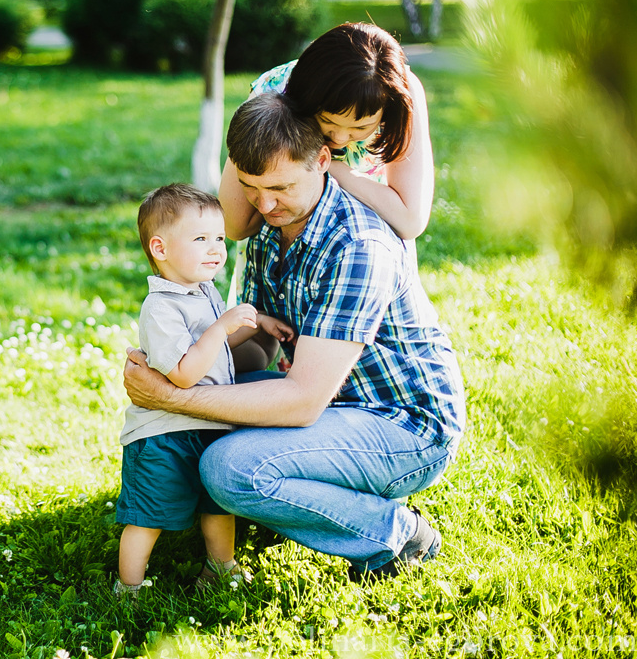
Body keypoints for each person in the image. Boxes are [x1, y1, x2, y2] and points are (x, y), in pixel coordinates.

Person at [124, 94, 465, 582]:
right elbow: (262, 350)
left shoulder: (357, 244)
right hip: (337, 403)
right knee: (221, 423)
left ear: (322, 160)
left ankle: (396, 533)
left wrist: (173, 397)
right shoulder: (270, 227)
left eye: (280, 187)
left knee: (228, 469)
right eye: (249, 187)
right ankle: (316, 489)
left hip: (403, 426)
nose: (263, 205)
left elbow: (301, 401)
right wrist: (186, 350)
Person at [221, 22, 434, 372]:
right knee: (267, 342)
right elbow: (236, 221)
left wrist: (327, 168)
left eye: (360, 129)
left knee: (350, 355)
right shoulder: (278, 87)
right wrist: (284, 185)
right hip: (283, 232)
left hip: (361, 243)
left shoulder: (400, 92)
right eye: (328, 122)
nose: (339, 138)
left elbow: (410, 219)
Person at [115, 184, 293, 597]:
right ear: (160, 248)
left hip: (209, 421)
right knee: (148, 515)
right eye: (200, 239)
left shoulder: (203, 290)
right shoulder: (160, 308)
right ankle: (129, 588)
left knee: (217, 506)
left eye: (218, 238)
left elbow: (208, 348)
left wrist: (254, 324)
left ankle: (221, 567)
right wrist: (221, 326)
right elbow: (183, 372)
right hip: (165, 435)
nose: (216, 249)